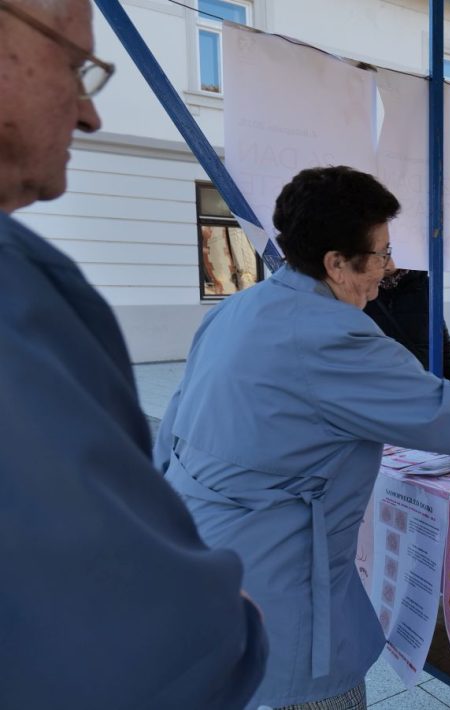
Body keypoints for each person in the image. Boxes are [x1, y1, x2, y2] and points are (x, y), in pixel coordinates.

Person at [155, 165, 450, 709]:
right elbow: (443, 409)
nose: (388, 268)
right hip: (279, 582)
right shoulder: (329, 334)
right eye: (379, 254)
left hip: (210, 564)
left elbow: (171, 432)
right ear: (335, 263)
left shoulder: (238, 308)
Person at [0, 1, 267, 707]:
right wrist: (225, 619)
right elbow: (116, 639)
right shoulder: (21, 289)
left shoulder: (239, 308)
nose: (89, 116)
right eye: (74, 65)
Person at [364, 266, 450, 379]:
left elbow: (441, 338)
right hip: (379, 381)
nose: (386, 260)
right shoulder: (362, 289)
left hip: (422, 379)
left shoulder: (424, 284)